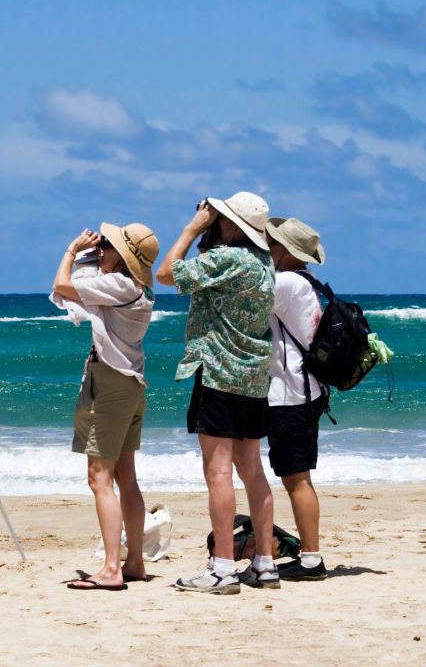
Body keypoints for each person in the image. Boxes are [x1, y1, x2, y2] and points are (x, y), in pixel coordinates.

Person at [155, 191, 278, 594]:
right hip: (253, 377)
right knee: (253, 470)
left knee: (218, 471)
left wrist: (192, 229)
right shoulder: (264, 262)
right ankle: (264, 564)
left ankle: (223, 567)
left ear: (232, 225)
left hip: (219, 373)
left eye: (220, 217)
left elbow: (166, 273)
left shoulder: (226, 259)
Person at [51, 222, 159, 590]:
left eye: (108, 245)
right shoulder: (134, 287)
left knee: (99, 478)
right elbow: (81, 281)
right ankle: (134, 562)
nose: (102, 248)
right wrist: (97, 256)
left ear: (123, 256)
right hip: (130, 382)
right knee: (126, 477)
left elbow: (62, 285)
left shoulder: (118, 286)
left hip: (111, 382)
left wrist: (72, 249)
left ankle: (112, 569)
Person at [265, 217, 329, 581]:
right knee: (296, 476)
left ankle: (312, 559)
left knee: (296, 478)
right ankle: (310, 555)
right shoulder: (306, 280)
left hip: (292, 393)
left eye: (271, 243)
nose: (266, 247)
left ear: (286, 251)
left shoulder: (286, 282)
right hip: (305, 390)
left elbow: (245, 298)